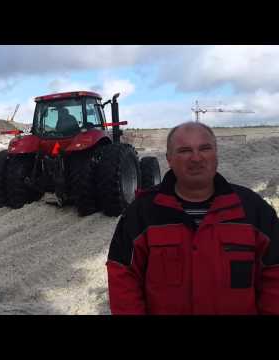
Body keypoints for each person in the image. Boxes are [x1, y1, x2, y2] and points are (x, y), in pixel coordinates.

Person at [106, 121, 279, 315]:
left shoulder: (254, 211)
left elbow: (274, 274)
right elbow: (123, 276)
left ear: (216, 154)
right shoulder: (142, 214)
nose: (196, 158)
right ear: (169, 159)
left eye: (205, 148)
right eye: (185, 150)